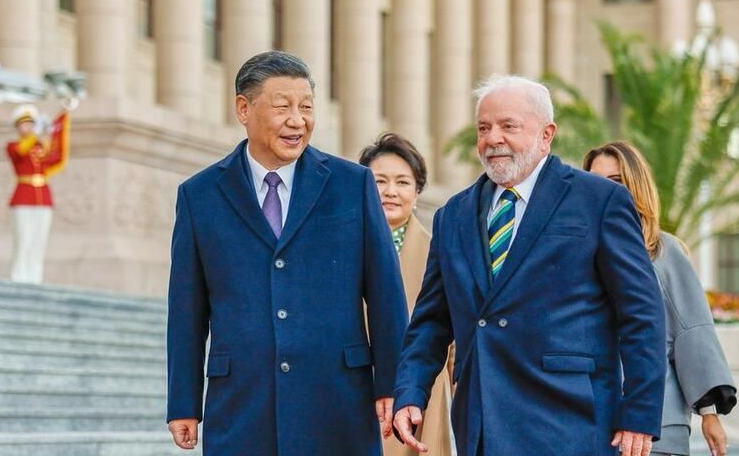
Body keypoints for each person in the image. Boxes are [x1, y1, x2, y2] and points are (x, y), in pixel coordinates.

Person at [392, 74, 666, 456]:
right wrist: (410, 392)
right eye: (484, 128)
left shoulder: (599, 201)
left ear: (546, 134)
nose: (493, 139)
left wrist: (639, 412)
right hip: (481, 423)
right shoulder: (452, 215)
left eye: (508, 126)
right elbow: (432, 320)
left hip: (570, 423)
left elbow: (642, 314)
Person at [166, 51, 408, 455]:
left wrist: (392, 383)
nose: (298, 120)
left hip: (338, 401)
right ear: (244, 108)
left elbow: (385, 294)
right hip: (241, 404)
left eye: (307, 107)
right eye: (283, 107)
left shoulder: (353, 185)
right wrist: (183, 403)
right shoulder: (200, 196)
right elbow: (187, 310)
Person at [585, 141, 737, 456]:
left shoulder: (664, 251)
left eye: (615, 182)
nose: (603, 191)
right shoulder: (577, 253)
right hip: (590, 423)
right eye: (594, 182)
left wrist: (710, 415)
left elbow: (693, 332)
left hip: (656, 428)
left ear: (635, 185)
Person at [359, 133, 454, 456]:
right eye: (379, 181)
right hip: (358, 390)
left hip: (419, 395)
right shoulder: (339, 250)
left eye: (402, 182)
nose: (390, 192)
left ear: (417, 191)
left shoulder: (439, 250)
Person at [7, 104, 62, 283]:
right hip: (24, 196)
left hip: (43, 197)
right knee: (24, 239)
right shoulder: (14, 145)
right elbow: (20, 153)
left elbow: (58, 156)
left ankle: (35, 276)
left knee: (39, 240)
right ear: (17, 127)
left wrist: (63, 121)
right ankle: (19, 275)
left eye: (31, 124)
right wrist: (36, 134)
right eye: (24, 124)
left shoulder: (42, 147)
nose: (28, 127)